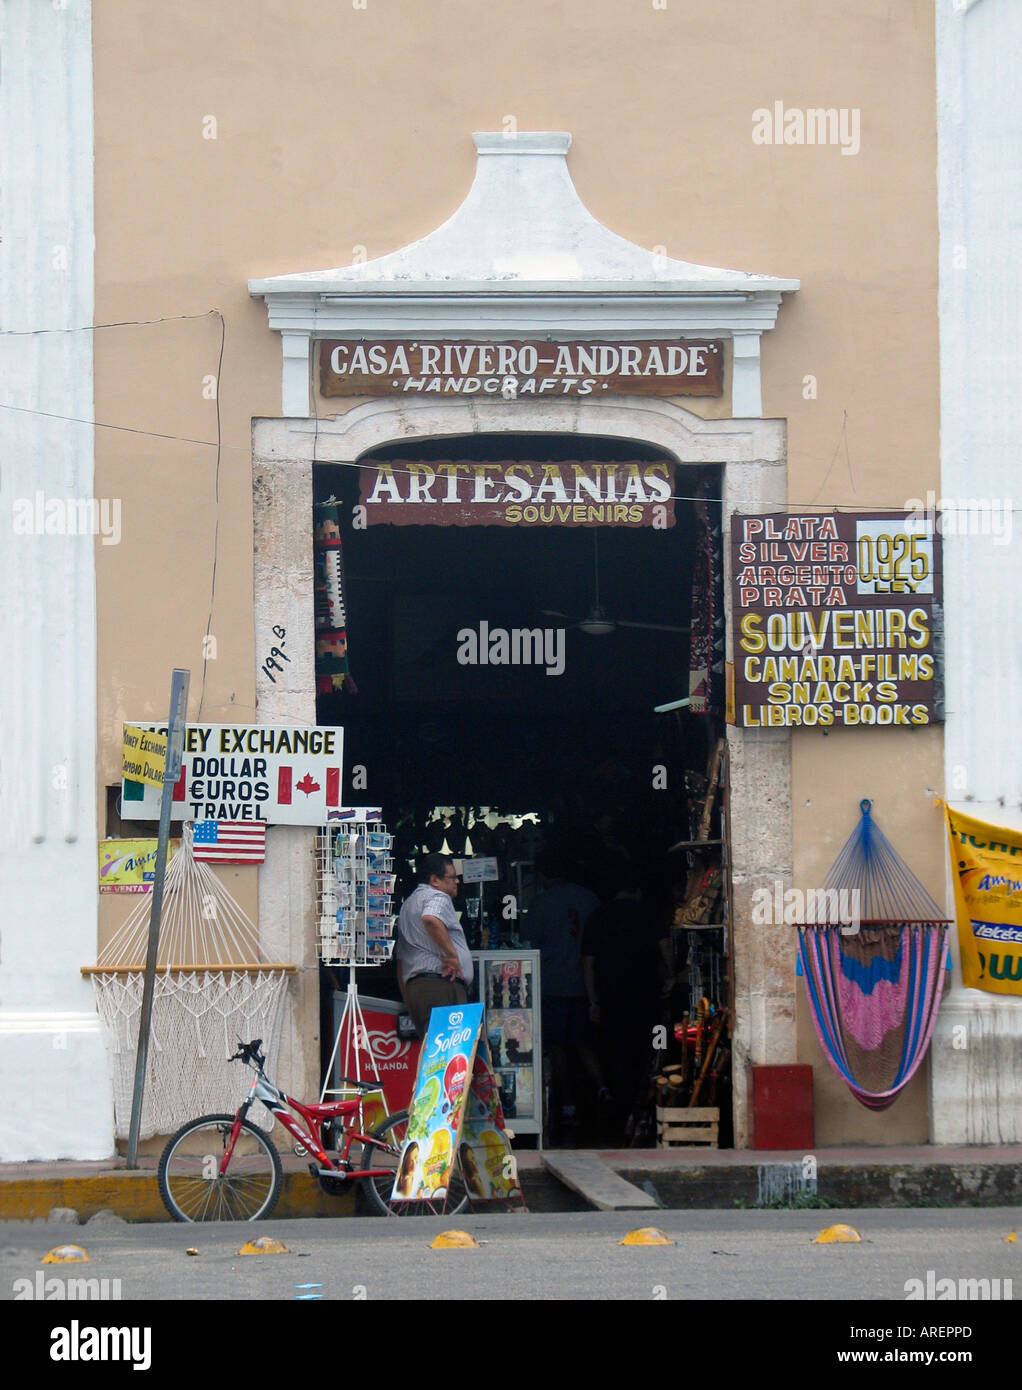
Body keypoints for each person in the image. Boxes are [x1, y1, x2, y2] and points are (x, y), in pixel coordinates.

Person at [581, 860, 674, 1133]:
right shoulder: (649, 914)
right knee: (648, 1050)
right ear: (638, 889)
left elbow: (587, 962)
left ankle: (620, 1110)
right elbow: (665, 946)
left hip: (611, 997)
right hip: (646, 995)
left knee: (615, 1051)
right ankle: (643, 1107)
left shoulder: (598, 916)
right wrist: (670, 974)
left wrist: (593, 1000)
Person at [524, 850, 607, 1130]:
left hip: (552, 984)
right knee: (583, 1044)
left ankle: (568, 1104)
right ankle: (603, 1089)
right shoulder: (589, 898)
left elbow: (528, 942)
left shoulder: (541, 903)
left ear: (544, 875)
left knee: (557, 1047)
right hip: (584, 985)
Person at [396, 853, 473, 1040]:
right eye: (452, 877)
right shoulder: (438, 896)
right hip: (441, 987)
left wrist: (407, 994)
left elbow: (401, 958)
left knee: (434, 1055)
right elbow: (430, 918)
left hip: (418, 990)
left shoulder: (408, 904)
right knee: (448, 1058)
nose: (457, 882)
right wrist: (453, 956)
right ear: (435, 880)